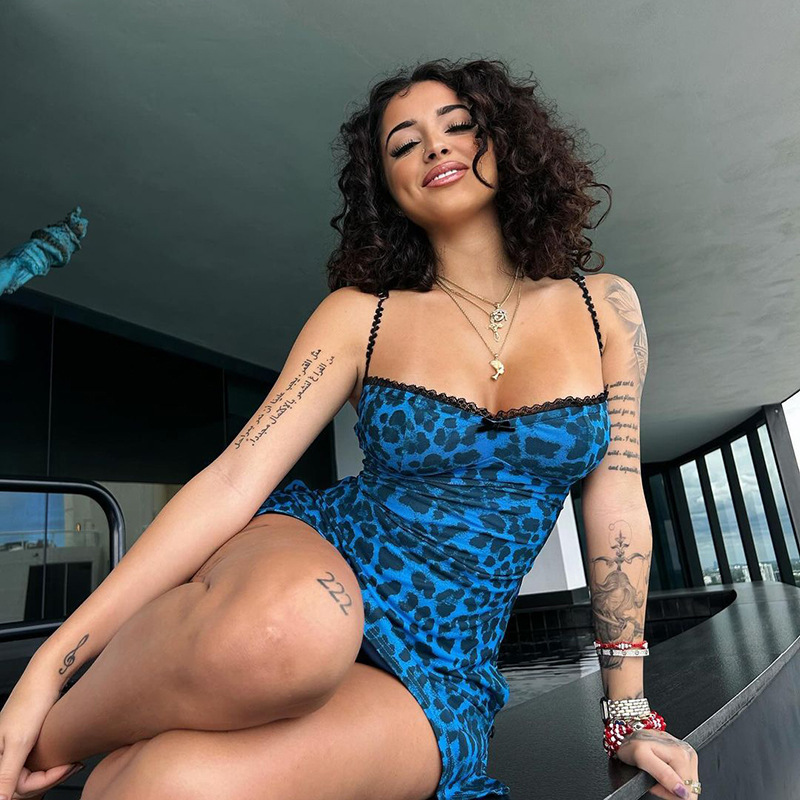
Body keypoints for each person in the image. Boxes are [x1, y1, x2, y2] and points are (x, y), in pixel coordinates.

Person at [1, 57, 701, 800]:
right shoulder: (360, 317)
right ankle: (36, 740)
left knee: (166, 787)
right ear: (386, 188)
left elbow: (617, 504)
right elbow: (233, 480)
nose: (434, 147)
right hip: (316, 564)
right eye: (404, 144)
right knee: (294, 626)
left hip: (442, 663)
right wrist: (46, 669)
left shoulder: (604, 309)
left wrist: (627, 714)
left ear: (507, 143)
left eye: (458, 125)